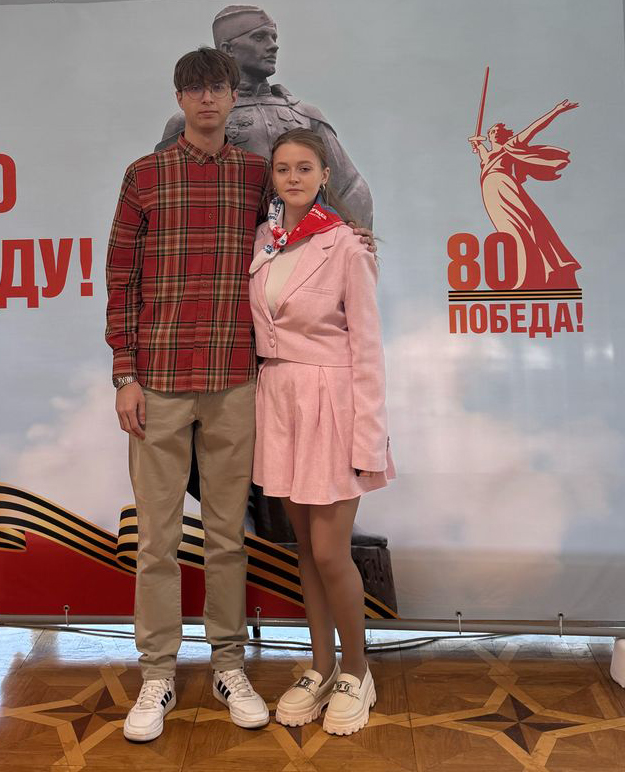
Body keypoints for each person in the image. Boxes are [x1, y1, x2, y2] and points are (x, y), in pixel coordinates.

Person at [105, 47, 271, 743]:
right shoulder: (144, 175)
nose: (207, 99)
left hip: (234, 378)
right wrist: (125, 374)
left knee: (229, 537)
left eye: (217, 88)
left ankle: (230, 663)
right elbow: (121, 278)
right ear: (179, 98)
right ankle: (157, 673)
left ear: (233, 97)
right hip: (160, 382)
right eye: (195, 89)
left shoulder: (258, 177)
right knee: (158, 541)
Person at [248, 128, 394, 735]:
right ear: (273, 177)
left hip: (332, 405)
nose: (293, 178)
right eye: (283, 168)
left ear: (324, 175)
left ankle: (358, 671)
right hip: (279, 403)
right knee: (306, 550)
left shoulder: (347, 246)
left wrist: (369, 438)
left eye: (304, 167)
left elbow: (369, 349)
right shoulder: (264, 240)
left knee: (332, 551)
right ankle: (322, 665)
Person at [157, 4, 373, 230]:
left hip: (302, 245)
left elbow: (350, 186)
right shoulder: (190, 121)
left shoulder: (305, 115)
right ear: (227, 48)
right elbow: (167, 195)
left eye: (274, 37)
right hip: (229, 244)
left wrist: (348, 239)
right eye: (259, 37)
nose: (273, 46)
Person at [468, 100, 581, 290]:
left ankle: (543, 270)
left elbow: (534, 128)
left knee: (525, 225)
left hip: (506, 187)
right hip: (491, 194)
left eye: (498, 131)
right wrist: (476, 143)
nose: (495, 133)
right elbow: (480, 150)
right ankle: (523, 274)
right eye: (492, 131)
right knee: (507, 230)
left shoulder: (511, 145)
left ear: (505, 135)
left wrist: (555, 111)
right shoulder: (486, 157)